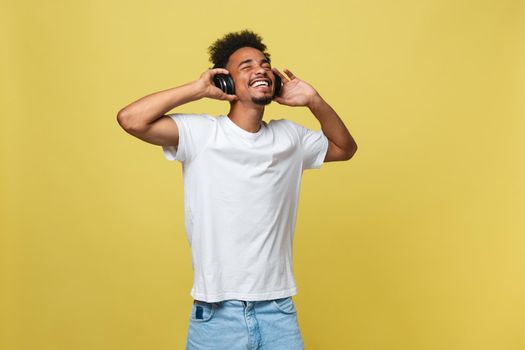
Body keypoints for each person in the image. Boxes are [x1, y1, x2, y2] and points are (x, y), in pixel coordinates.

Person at [116, 29, 357, 350]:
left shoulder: (290, 138)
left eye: (264, 64)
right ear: (225, 82)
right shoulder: (202, 133)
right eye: (246, 66)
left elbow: (345, 148)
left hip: (277, 309)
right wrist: (197, 89)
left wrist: (314, 101)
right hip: (215, 313)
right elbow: (131, 119)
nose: (260, 69)